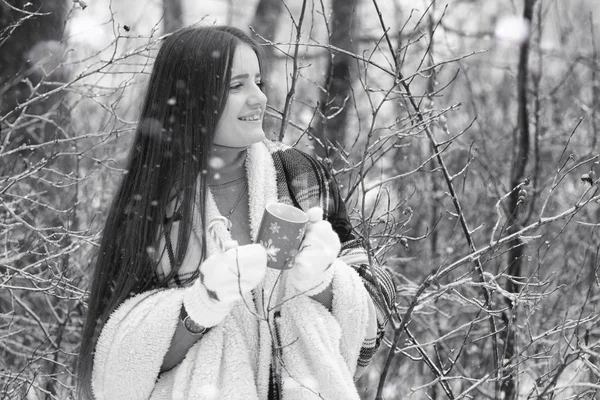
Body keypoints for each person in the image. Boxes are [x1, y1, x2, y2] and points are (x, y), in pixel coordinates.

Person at [77, 25, 396, 400]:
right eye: (236, 86)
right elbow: (119, 370)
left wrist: (325, 282)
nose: (259, 98)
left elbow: (376, 314)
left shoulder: (297, 176)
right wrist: (199, 307)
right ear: (189, 99)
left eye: (258, 82)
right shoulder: (154, 203)